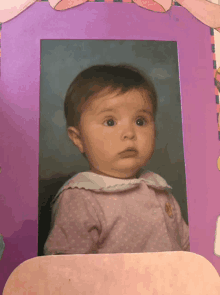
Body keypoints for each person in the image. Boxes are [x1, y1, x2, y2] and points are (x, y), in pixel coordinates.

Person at [44, 64, 190, 255]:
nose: (129, 133)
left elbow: (190, 249)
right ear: (79, 139)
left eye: (140, 121)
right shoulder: (81, 198)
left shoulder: (159, 190)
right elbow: (66, 270)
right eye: (110, 122)